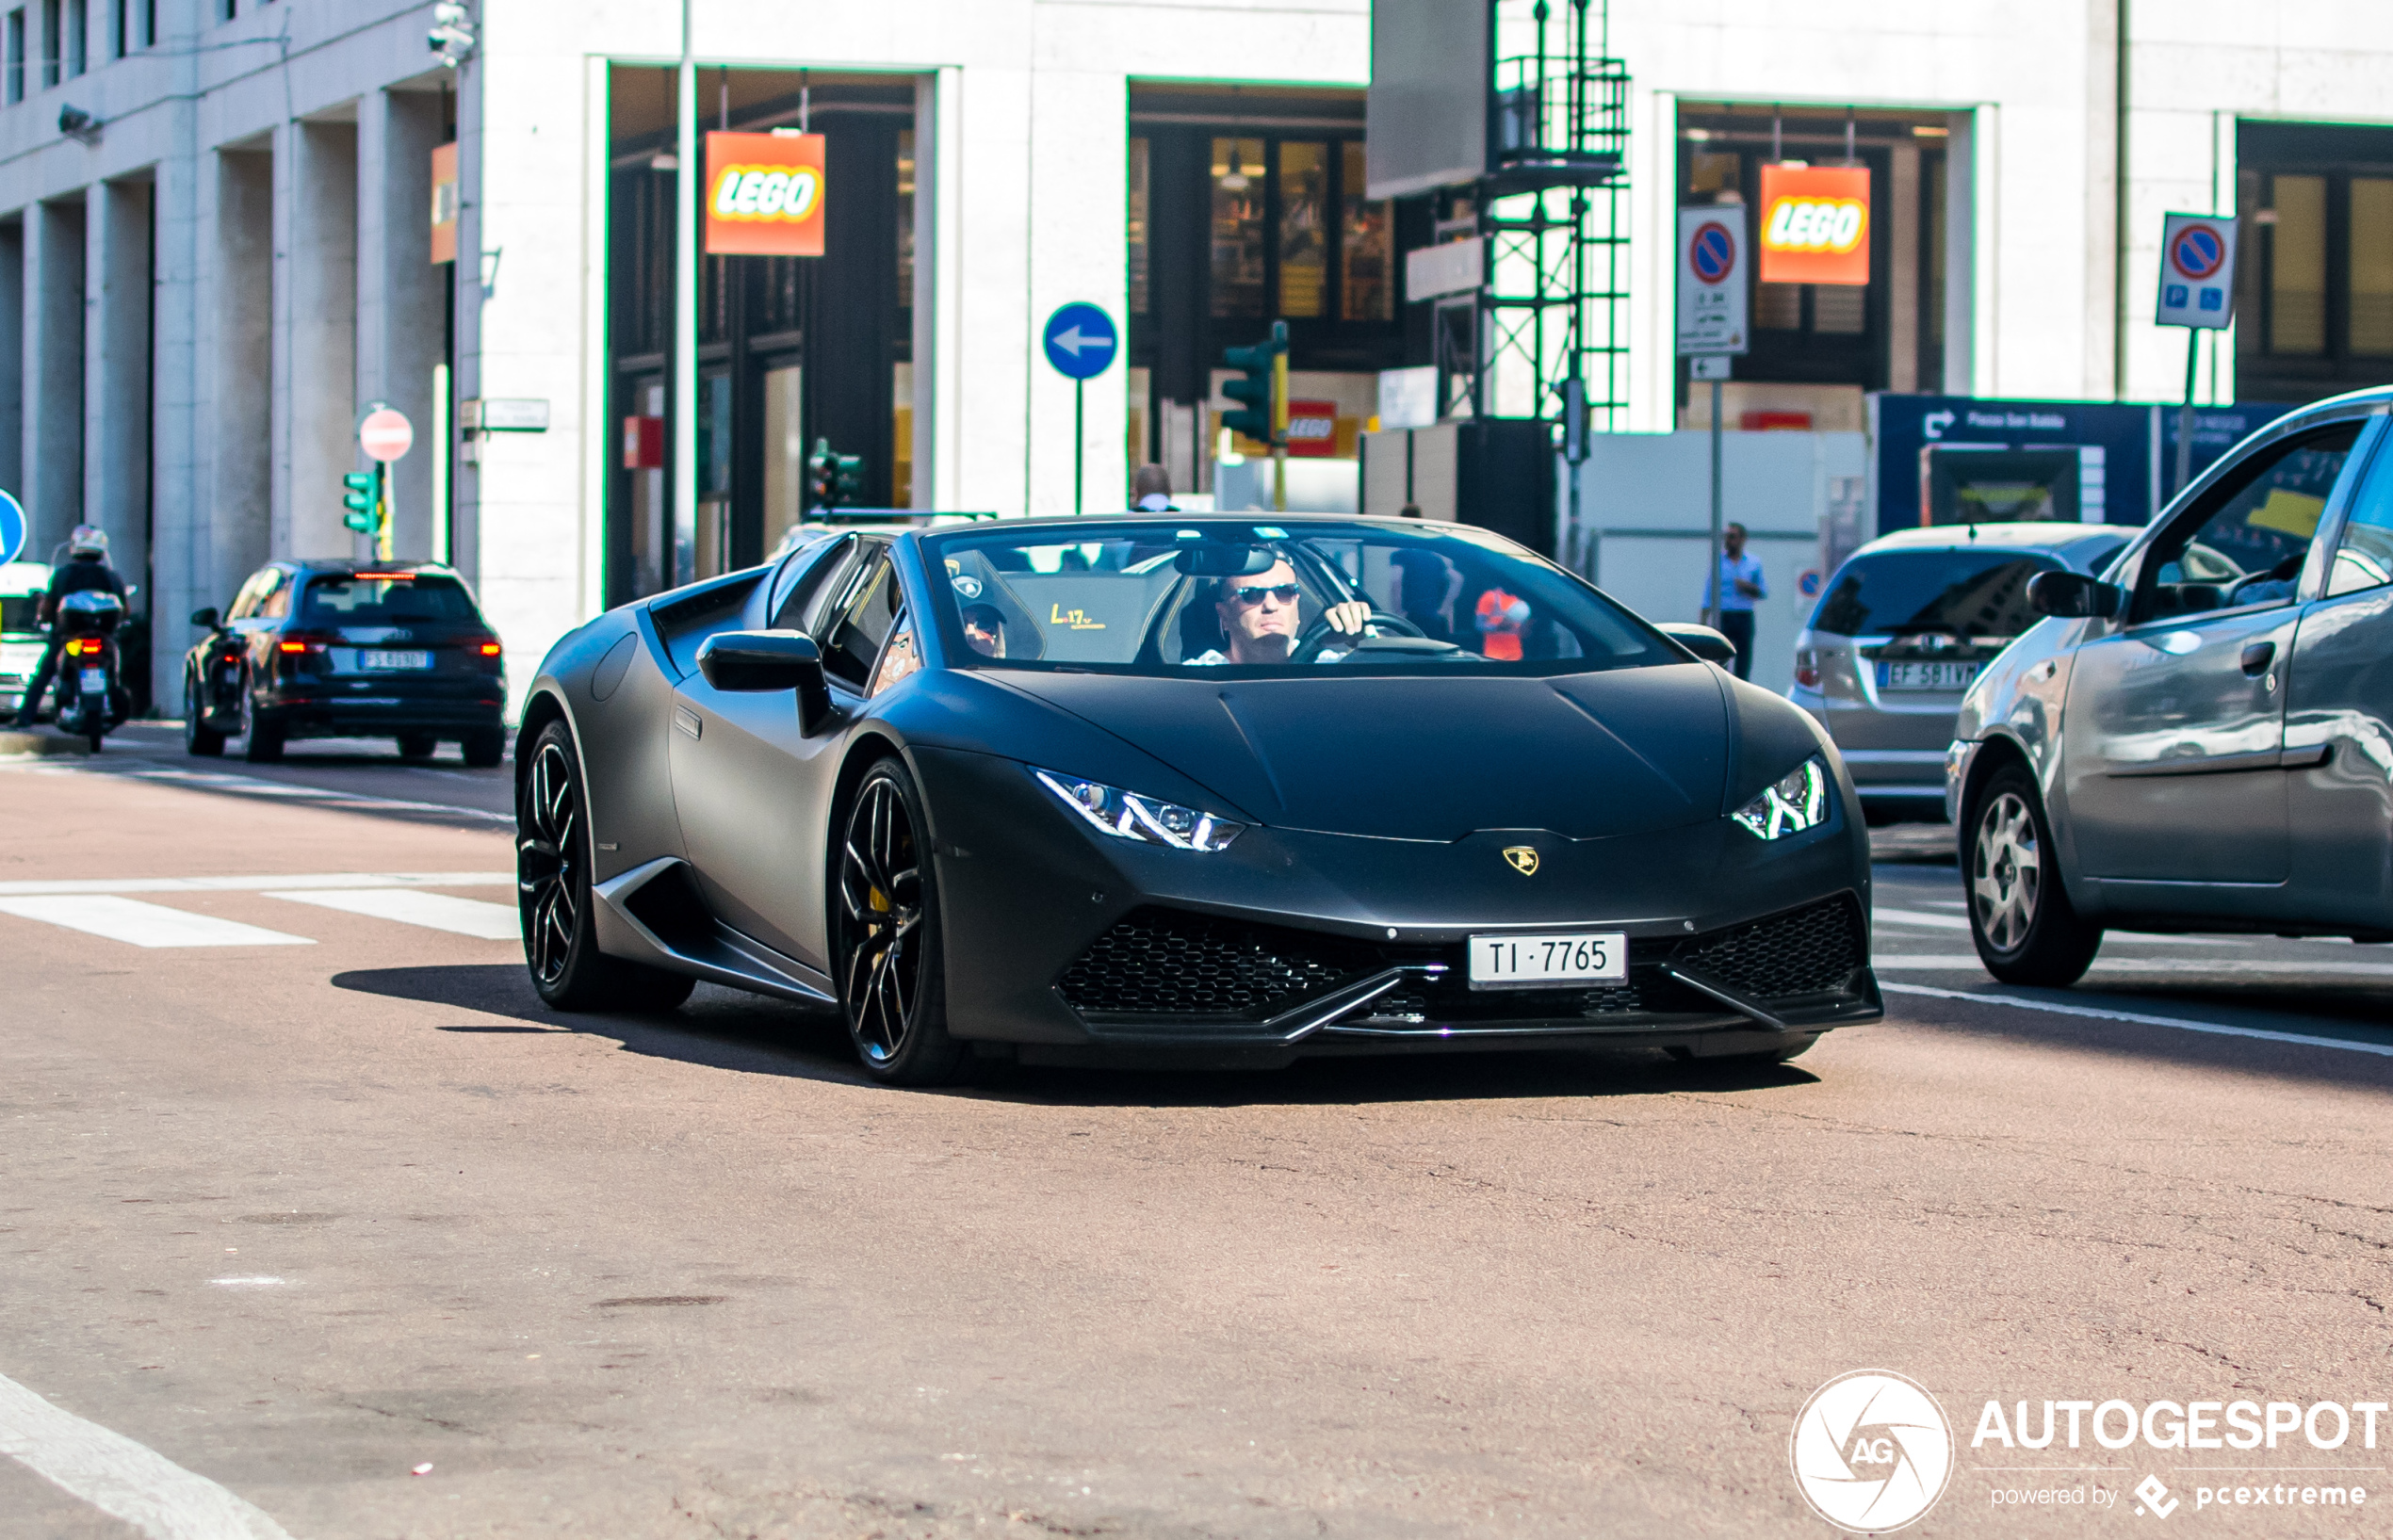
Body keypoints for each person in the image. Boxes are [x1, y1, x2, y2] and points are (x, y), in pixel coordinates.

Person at [12, 526, 125, 727]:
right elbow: (124, 609)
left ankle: (25, 717)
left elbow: (49, 607)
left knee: (45, 672)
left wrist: (45, 620)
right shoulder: (112, 577)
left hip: (71, 639)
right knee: (116, 670)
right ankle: (113, 697)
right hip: (103, 639)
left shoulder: (63, 575)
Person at [1182, 557, 1371, 665]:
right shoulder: (1196, 678)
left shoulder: (1328, 667)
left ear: (1297, 606)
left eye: (1285, 592)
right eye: (1251, 594)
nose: (1271, 606)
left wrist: (1364, 642)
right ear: (1223, 615)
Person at [1702, 522, 1767, 681]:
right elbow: (1709, 592)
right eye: (1726, 537)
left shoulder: (1753, 563)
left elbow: (1763, 592)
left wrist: (1747, 587)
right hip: (1724, 615)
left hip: (1744, 615)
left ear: (1742, 539)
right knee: (1720, 658)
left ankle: (1742, 688)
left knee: (1744, 658)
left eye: (1732, 536)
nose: (1728, 540)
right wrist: (1703, 621)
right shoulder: (1718, 562)